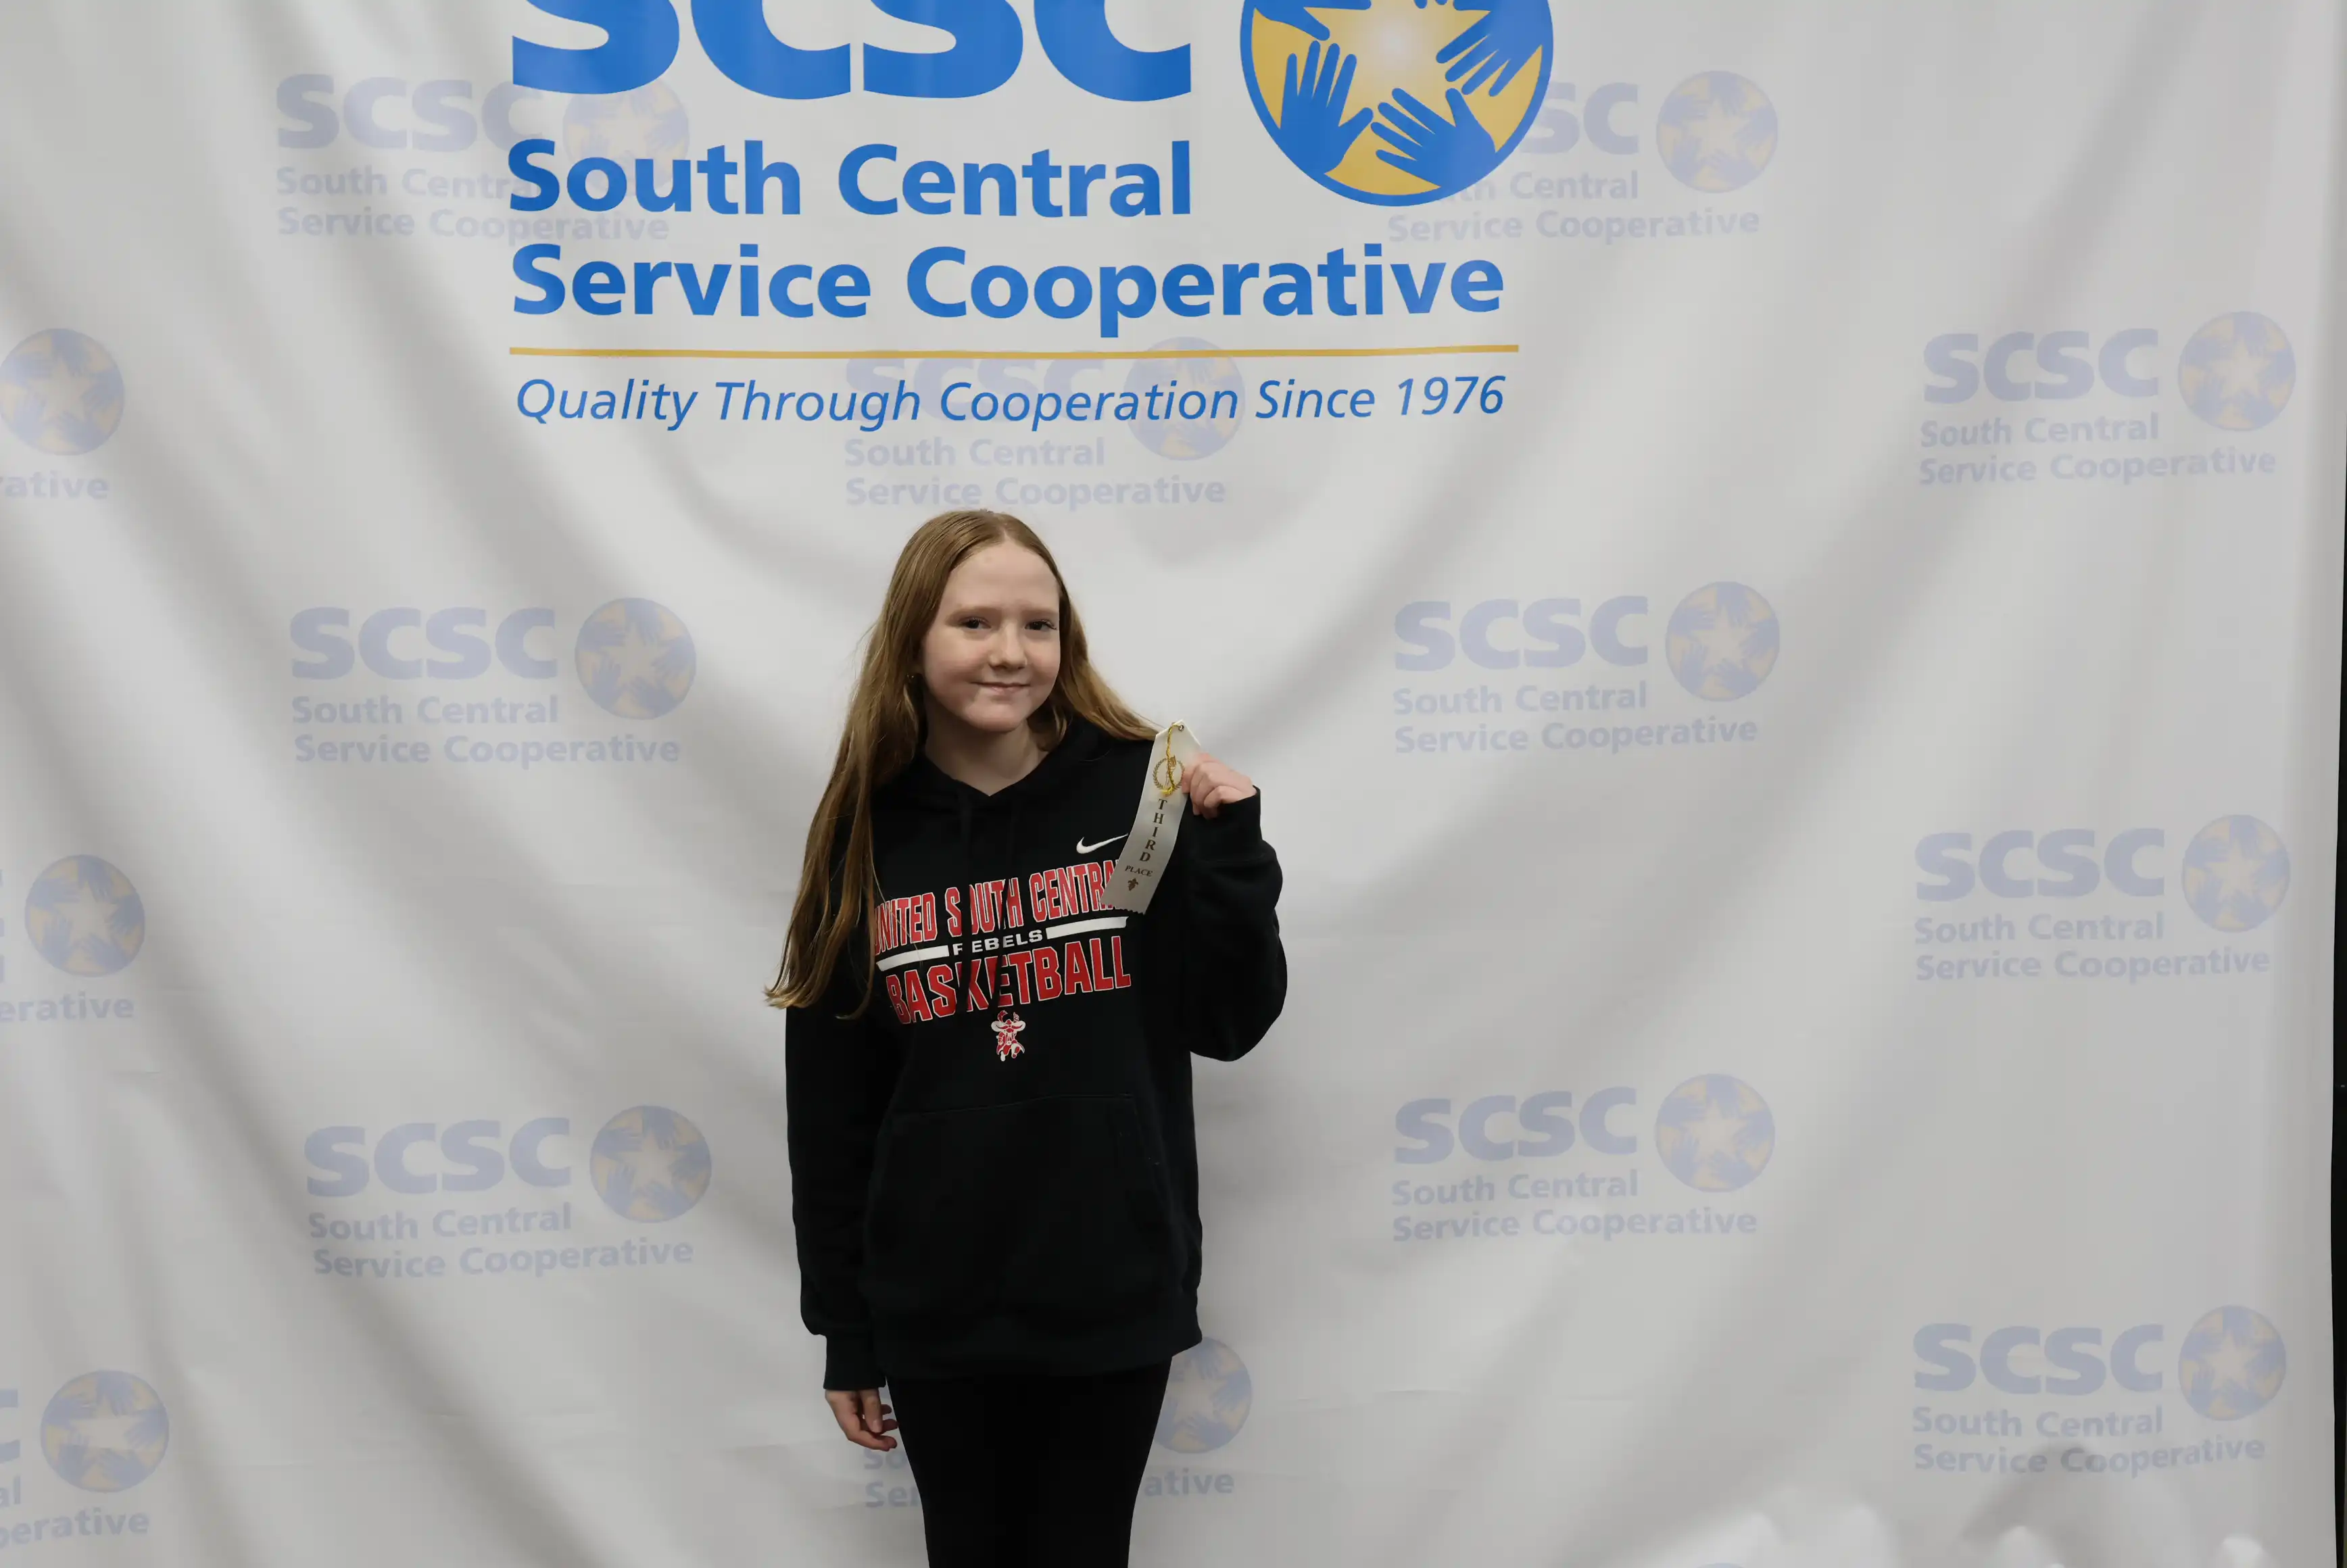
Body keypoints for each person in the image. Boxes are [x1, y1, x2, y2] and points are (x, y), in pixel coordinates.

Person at [769, 508, 1286, 1567]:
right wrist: (846, 1328)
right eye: (974, 622)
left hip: (1111, 1283)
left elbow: (1229, 1026)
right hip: (938, 1301)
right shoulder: (867, 830)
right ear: (914, 640)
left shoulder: (1141, 794)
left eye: (1037, 625)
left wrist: (1232, 854)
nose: (1010, 652)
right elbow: (832, 1110)